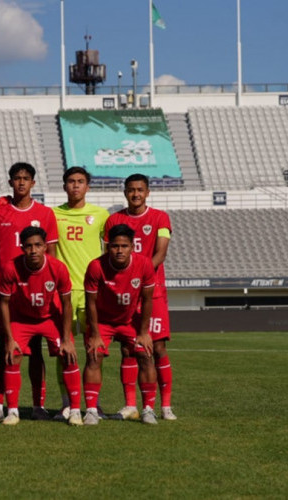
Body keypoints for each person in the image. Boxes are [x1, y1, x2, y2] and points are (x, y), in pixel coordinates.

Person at [0, 162, 58, 421]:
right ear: (10, 182)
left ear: (33, 183)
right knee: (6, 346)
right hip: (6, 292)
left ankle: (38, 404)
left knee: (36, 350)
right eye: (17, 178)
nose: (21, 183)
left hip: (36, 292)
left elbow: (52, 255)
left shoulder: (46, 214)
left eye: (26, 178)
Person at [104, 173, 176, 421]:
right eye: (131, 190)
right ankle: (130, 405)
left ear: (147, 192)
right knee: (127, 349)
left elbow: (160, 254)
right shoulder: (114, 220)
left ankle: (165, 406)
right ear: (125, 192)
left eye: (140, 190)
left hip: (151, 292)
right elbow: (109, 255)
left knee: (156, 347)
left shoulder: (160, 218)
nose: (135, 194)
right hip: (124, 295)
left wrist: (140, 278)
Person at [0, 226, 81, 426]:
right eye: (28, 246)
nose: (33, 250)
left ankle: (76, 410)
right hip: (22, 319)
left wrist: (67, 338)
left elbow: (67, 304)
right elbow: (4, 304)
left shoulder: (58, 268)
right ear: (21, 247)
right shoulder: (11, 268)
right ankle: (13, 411)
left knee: (68, 355)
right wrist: (9, 339)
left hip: (50, 319)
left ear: (45, 247)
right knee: (12, 355)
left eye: (37, 245)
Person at [83, 223, 158, 425]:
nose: (119, 250)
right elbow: (90, 303)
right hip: (103, 321)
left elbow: (148, 300)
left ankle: (148, 409)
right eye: (115, 246)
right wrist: (95, 334)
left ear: (132, 247)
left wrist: (143, 332)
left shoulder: (144, 265)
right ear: (108, 247)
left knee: (144, 354)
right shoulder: (96, 266)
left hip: (129, 321)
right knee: (94, 354)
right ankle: (91, 410)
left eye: (124, 246)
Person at [52, 166, 109, 421]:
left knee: (94, 349)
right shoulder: (53, 214)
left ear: (88, 186)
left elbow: (108, 252)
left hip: (91, 292)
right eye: (71, 182)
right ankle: (67, 403)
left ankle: (92, 405)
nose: (75, 186)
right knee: (63, 349)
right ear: (64, 186)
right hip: (63, 292)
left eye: (80, 182)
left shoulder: (101, 215)